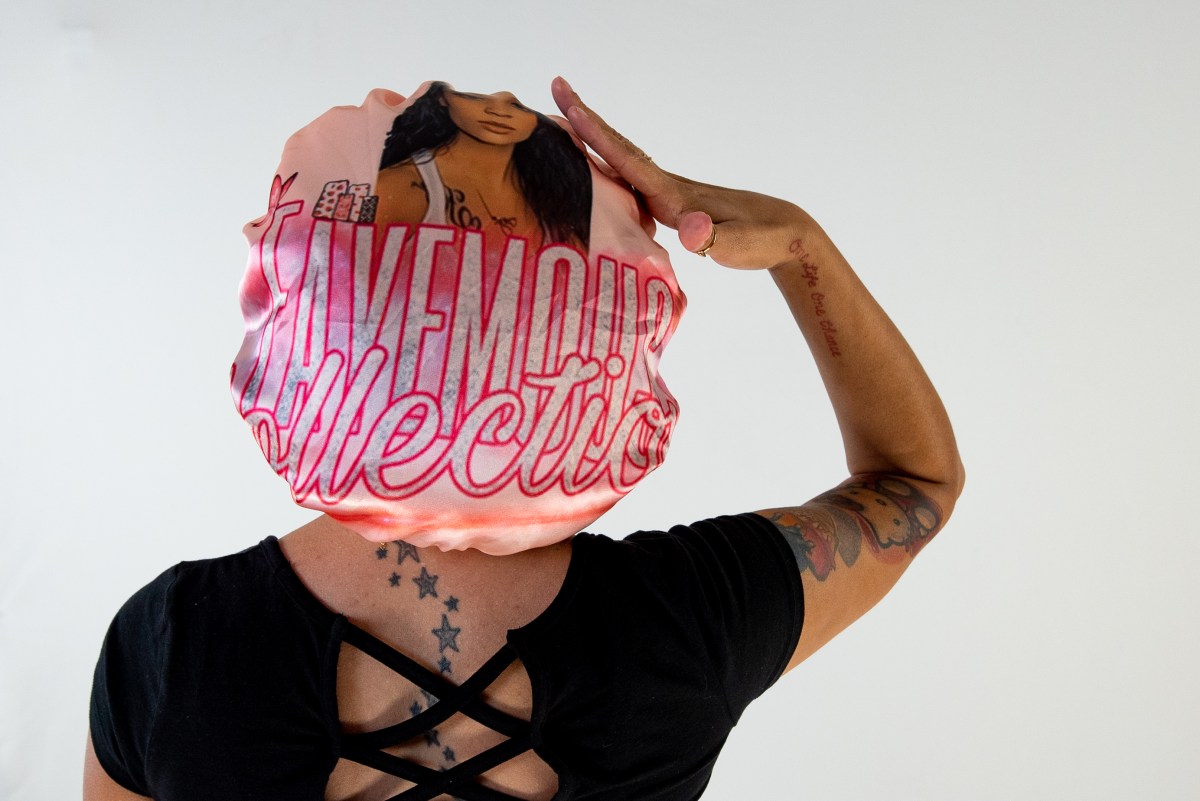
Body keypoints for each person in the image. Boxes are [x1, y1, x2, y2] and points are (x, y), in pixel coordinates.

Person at [83, 76, 964, 801]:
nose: (500, 101)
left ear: (303, 313)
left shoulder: (170, 646)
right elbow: (916, 482)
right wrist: (801, 246)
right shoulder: (687, 623)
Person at [374, 81, 592, 251]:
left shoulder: (555, 198)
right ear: (443, 100)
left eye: (517, 106)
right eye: (474, 98)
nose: (499, 111)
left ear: (536, 123)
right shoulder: (401, 185)